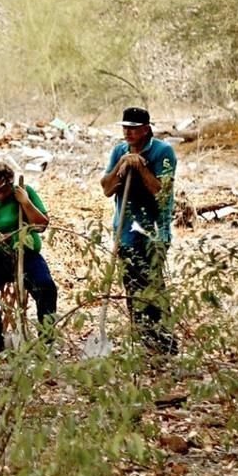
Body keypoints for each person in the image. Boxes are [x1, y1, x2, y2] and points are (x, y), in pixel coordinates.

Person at [100, 106, 178, 354]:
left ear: (146, 129)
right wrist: (123, 163)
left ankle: (164, 342)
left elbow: (162, 194)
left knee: (153, 285)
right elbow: (107, 188)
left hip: (153, 230)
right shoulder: (119, 151)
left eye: (133, 128)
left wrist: (141, 167)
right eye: (125, 128)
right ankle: (143, 339)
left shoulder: (163, 152)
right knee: (132, 286)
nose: (128, 132)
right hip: (124, 229)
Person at [0, 161, 57, 352]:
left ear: (10, 184)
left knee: (46, 287)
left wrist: (25, 202)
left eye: (2, 191)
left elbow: (41, 226)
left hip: (26, 254)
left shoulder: (24, 192)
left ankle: (46, 341)